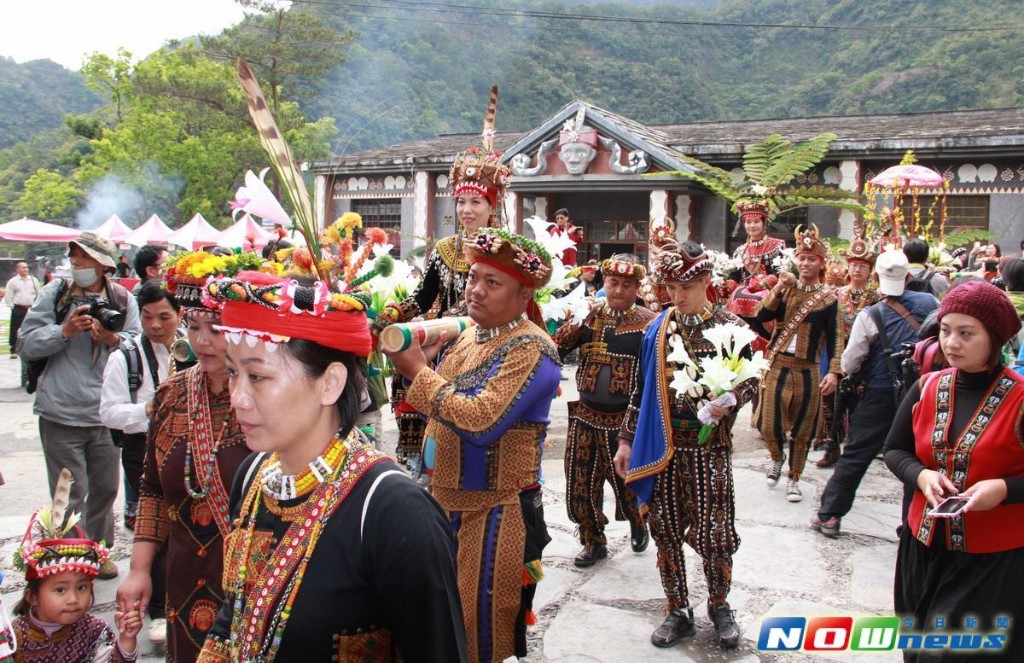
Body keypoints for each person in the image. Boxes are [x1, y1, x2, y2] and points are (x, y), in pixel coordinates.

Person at [193, 271, 467, 662]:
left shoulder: (395, 512)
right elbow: (236, 613)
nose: (238, 397)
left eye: (257, 376)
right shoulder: (253, 477)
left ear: (330, 383)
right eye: (234, 372)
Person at [385, 228, 560, 663]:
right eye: (473, 278)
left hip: (496, 511)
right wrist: (423, 370)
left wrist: (418, 374)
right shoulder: (467, 336)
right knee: (439, 621)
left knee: (479, 628)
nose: (475, 291)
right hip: (444, 503)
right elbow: (445, 405)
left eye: (492, 282)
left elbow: (481, 421)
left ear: (524, 296)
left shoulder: (533, 349)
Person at [614, 231, 757, 649]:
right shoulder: (657, 329)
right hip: (665, 449)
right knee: (665, 530)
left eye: (687, 287)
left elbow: (751, 380)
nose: (678, 296)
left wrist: (730, 399)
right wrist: (626, 441)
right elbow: (640, 391)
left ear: (706, 283)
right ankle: (677, 608)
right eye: (671, 287)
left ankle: (719, 603)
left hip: (708, 449)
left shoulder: (731, 326)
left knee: (716, 533)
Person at [116, 251, 252, 663]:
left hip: (254, 574)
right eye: (193, 327)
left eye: (217, 328)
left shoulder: (267, 393)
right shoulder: (171, 394)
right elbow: (153, 488)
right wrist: (139, 570)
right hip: (184, 573)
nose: (203, 341)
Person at [883, 280, 1024, 661]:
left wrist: (1003, 489)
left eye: (966, 334)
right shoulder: (927, 387)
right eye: (945, 331)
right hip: (923, 547)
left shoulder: (1020, 399)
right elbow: (895, 450)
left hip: (990, 560)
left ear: (994, 339)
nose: (951, 343)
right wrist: (922, 476)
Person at [374, 89, 511, 469]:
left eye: (476, 203)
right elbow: (422, 297)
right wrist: (392, 312)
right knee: (410, 363)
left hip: (485, 339)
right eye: (461, 202)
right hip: (442, 334)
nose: (466, 210)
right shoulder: (445, 248)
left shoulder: (503, 251)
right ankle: (416, 463)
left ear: (491, 206)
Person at [17, 231, 141, 579]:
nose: (76, 263)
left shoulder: (122, 298)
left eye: (83, 258)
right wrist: (64, 331)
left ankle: (98, 552)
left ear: (103, 264)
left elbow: (138, 341)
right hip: (61, 412)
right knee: (68, 494)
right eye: (73, 257)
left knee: (105, 490)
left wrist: (112, 339)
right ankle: (72, 557)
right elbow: (25, 343)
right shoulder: (55, 294)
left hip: (105, 413)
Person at [812, 250, 937, 538]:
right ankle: (913, 524)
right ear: (908, 277)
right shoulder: (930, 303)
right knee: (919, 458)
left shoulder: (870, 314)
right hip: (923, 392)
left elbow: (850, 361)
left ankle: (830, 514)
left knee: (856, 454)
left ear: (876, 277)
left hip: (880, 393)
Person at [554, 255, 653, 567]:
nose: (619, 290)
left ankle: (639, 521)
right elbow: (558, 348)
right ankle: (593, 538)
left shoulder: (649, 323)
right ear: (603, 284)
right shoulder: (589, 316)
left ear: (637, 287)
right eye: (613, 283)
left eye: (627, 285)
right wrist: (581, 319)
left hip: (624, 421)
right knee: (579, 482)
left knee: (625, 482)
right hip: (584, 415)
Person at [99, 281, 179, 648]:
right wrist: (146, 410)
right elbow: (109, 412)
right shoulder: (126, 356)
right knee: (155, 527)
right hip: (142, 448)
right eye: (148, 317)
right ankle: (160, 613)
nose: (156, 325)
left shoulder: (197, 350)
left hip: (192, 445)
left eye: (165, 317)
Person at [11, 470, 142, 662]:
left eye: (81, 587)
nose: (73, 599)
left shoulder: (95, 631)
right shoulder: (14, 636)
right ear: (33, 597)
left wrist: (127, 639)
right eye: (60, 590)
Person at [755, 224, 841, 502]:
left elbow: (836, 339)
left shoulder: (828, 300)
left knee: (803, 430)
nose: (805, 263)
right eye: (802, 258)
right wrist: (779, 286)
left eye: (811, 259)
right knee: (768, 425)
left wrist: (835, 372)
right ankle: (777, 458)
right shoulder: (787, 291)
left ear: (821, 263)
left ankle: (794, 478)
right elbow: (761, 313)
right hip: (778, 363)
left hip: (808, 370)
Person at [816, 238, 881, 468]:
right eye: (853, 265)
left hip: (865, 359)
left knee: (858, 405)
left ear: (870, 270)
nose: (857, 269)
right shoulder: (836, 294)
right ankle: (831, 446)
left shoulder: (876, 298)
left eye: (862, 266)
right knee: (830, 403)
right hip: (837, 354)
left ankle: (855, 451)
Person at [726, 201, 787, 344]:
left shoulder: (777, 245)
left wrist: (764, 283)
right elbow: (736, 274)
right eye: (748, 222)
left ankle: (763, 340)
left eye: (756, 221)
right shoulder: (741, 250)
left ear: (763, 223)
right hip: (745, 287)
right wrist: (728, 284)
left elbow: (780, 270)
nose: (751, 225)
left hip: (768, 288)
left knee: (759, 300)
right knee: (736, 297)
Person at [4, 261, 41, 357]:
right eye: (23, 268)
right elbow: (9, 296)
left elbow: (39, 294)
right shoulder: (13, 281)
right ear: (18, 269)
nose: (26, 269)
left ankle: (32, 348)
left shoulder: (33, 280)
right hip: (18, 308)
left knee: (33, 328)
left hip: (31, 308)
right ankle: (14, 350)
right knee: (15, 328)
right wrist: (12, 307)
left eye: (27, 267)